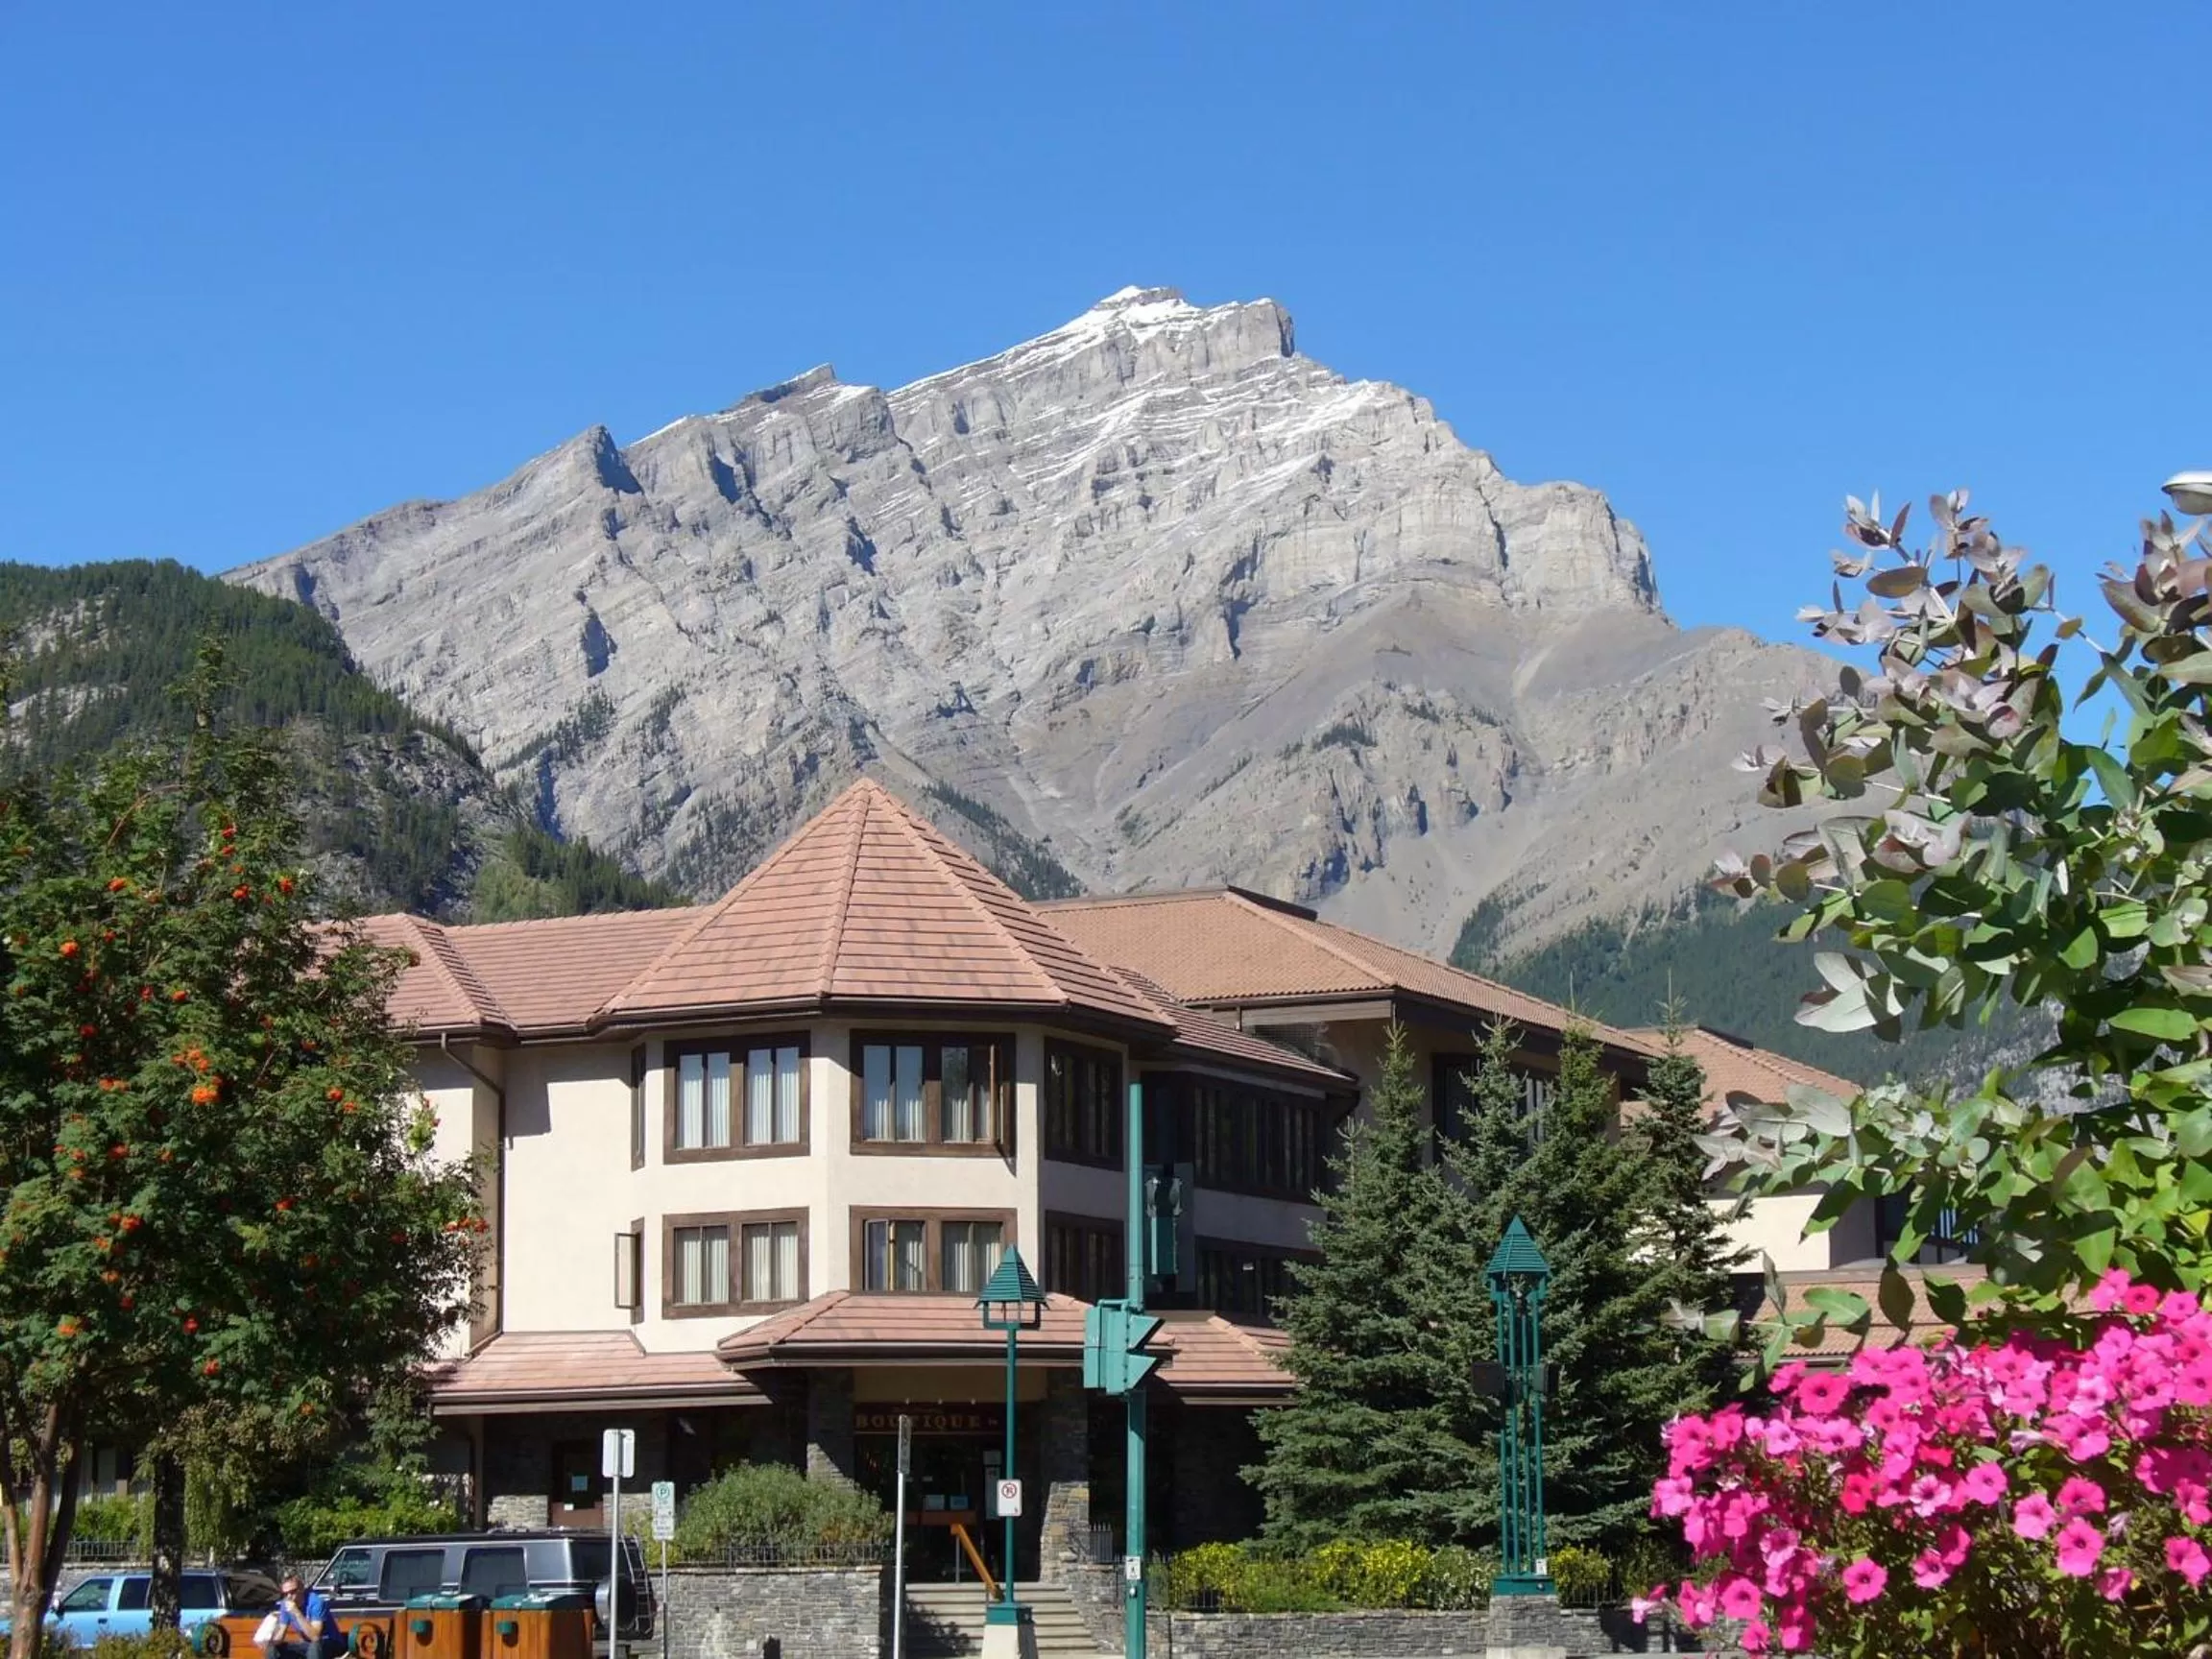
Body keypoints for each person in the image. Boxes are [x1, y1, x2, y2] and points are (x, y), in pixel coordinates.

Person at [263, 1575, 341, 1659]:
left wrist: (297, 1613)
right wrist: (270, 1641)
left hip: (330, 1642)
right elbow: (281, 1632)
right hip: (308, 1644)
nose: (289, 1596)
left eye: (293, 1592)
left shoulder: (316, 1602)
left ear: (302, 1589)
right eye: (285, 1594)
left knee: (314, 1647)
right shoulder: (285, 1604)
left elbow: (315, 1637)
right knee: (273, 1649)